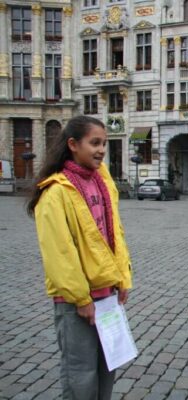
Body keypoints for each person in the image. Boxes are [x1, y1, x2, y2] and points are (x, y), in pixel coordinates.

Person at [27, 116, 133, 399]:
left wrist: (122, 279)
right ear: (73, 144)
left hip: (107, 293)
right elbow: (59, 252)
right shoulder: (55, 191)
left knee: (106, 367)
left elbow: (115, 236)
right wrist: (81, 298)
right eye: (94, 143)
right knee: (81, 373)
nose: (101, 150)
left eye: (104, 144)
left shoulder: (102, 181)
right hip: (77, 301)